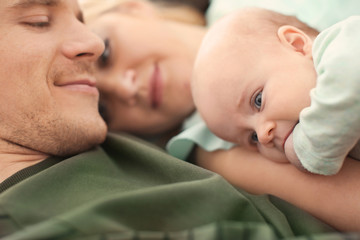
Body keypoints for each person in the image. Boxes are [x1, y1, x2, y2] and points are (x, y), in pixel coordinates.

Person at [4, 0, 360, 238]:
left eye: (108, 52)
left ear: (134, 7)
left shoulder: (235, 6)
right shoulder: (214, 146)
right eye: (104, 107)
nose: (126, 88)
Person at [191, 7, 360, 176]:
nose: (264, 136)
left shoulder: (343, 45)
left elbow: (350, 78)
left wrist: (307, 150)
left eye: (258, 100)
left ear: (297, 45)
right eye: (253, 138)